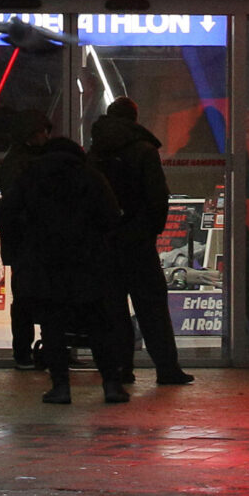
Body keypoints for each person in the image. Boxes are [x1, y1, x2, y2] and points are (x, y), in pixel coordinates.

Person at [10, 126, 133, 404]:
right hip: (87, 263)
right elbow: (111, 216)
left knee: (52, 328)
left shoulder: (30, 177)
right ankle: (112, 384)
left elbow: (9, 214)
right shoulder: (91, 177)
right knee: (98, 325)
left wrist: (23, 248)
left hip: (46, 262)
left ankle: (61, 387)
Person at [91, 98, 192, 386]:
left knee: (114, 308)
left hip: (106, 241)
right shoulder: (144, 150)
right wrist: (149, 231)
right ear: (135, 118)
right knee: (152, 306)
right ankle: (167, 368)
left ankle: (122, 368)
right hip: (137, 241)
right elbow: (158, 198)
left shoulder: (95, 151)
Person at [0, 112, 54, 371]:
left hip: (23, 244)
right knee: (39, 298)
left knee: (25, 299)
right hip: (33, 241)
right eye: (42, 131)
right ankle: (42, 349)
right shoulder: (32, 163)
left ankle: (26, 351)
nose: (46, 136)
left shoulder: (14, 161)